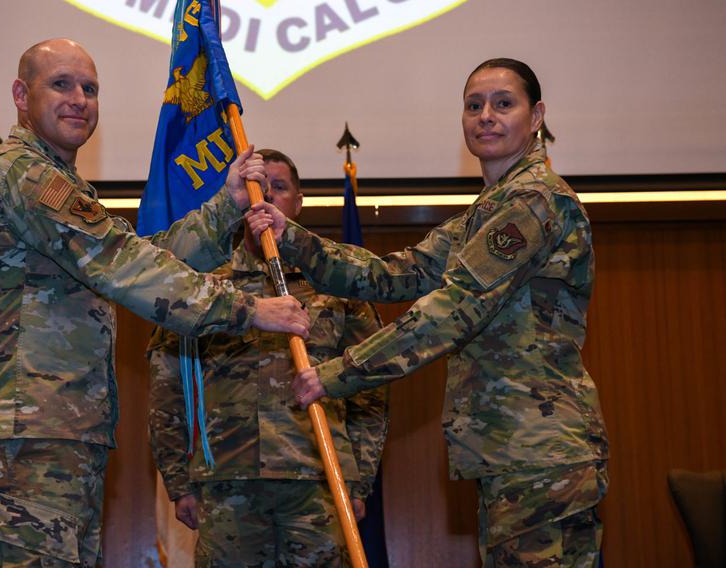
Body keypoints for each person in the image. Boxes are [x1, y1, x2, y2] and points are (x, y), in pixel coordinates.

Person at [0, 39, 310, 568]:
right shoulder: (22, 175)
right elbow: (125, 265)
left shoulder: (63, 185)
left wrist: (225, 205)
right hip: (24, 438)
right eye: (61, 84)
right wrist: (249, 309)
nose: (79, 99)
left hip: (60, 431)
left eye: (90, 89)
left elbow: (143, 256)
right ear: (20, 95)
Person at [247, 59, 609, 567]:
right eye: (474, 105)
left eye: (504, 103)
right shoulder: (484, 213)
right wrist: (298, 242)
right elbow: (395, 276)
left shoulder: (536, 202)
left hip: (541, 454)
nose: (486, 115)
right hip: (509, 452)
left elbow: (452, 309)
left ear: (536, 116)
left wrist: (339, 374)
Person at [148, 149, 389, 567]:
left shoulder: (335, 279)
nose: (268, 196)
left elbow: (370, 387)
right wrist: (177, 479)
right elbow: (168, 383)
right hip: (226, 479)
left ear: (298, 203)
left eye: (279, 188)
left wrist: (360, 479)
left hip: (319, 478)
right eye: (259, 187)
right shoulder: (204, 285)